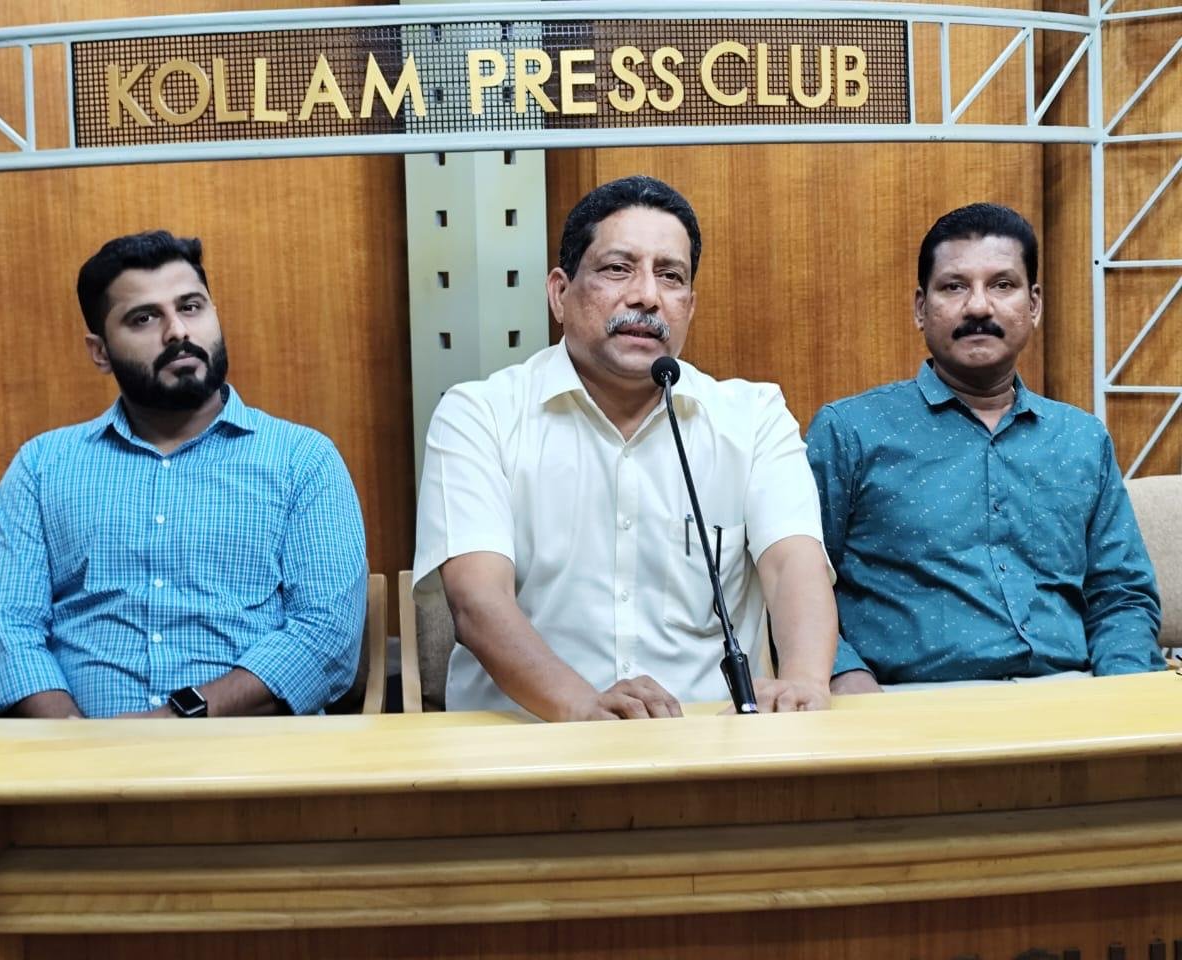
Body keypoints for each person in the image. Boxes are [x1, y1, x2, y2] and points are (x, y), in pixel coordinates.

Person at [414, 175, 837, 720]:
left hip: (709, 743)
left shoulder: (753, 417)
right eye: (618, 269)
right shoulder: (480, 416)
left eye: (671, 276)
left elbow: (793, 566)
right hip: (530, 745)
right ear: (559, 293)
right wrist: (582, 707)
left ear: (690, 306)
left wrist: (803, 682)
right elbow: (477, 600)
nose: (646, 296)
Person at [0, 231, 367, 718]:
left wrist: (175, 719)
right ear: (100, 352)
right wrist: (71, 739)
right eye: (144, 318)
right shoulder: (41, 467)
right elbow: (7, 630)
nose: (177, 332)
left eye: (191, 307)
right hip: (77, 751)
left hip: (250, 750)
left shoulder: (302, 461)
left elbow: (325, 636)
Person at [806, 203, 1163, 694]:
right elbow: (794, 583)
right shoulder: (851, 431)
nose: (978, 307)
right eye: (954, 287)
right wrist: (844, 676)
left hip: (1071, 694)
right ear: (920, 308)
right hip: (906, 703)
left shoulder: (1081, 439)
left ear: (1033, 304)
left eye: (1002, 285)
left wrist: (1125, 693)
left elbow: (1121, 593)